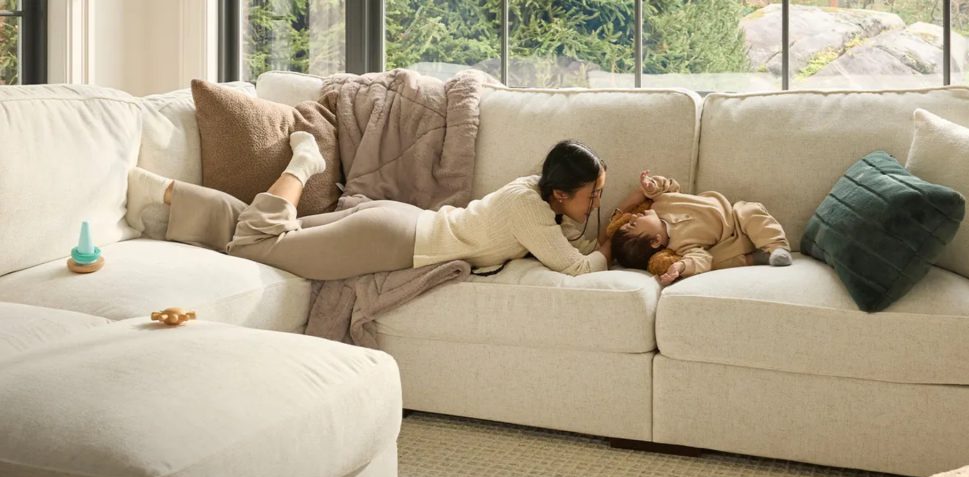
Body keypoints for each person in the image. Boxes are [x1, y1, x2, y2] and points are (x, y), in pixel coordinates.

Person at [126, 136, 612, 280]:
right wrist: (610, 243)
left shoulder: (531, 192)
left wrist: (624, 206)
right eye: (593, 195)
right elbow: (575, 264)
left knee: (253, 228)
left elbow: (565, 235)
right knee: (257, 244)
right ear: (559, 194)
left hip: (396, 222)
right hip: (391, 240)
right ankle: (304, 162)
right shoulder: (530, 212)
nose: (596, 204)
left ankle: (163, 192)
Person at [610, 170, 791, 286]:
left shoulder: (659, 203)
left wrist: (653, 186)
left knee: (751, 211)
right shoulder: (680, 247)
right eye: (633, 224)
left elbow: (672, 186)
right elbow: (700, 259)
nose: (634, 215)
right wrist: (680, 266)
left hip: (733, 213)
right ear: (656, 241)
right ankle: (756, 258)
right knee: (713, 261)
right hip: (731, 241)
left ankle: (777, 247)